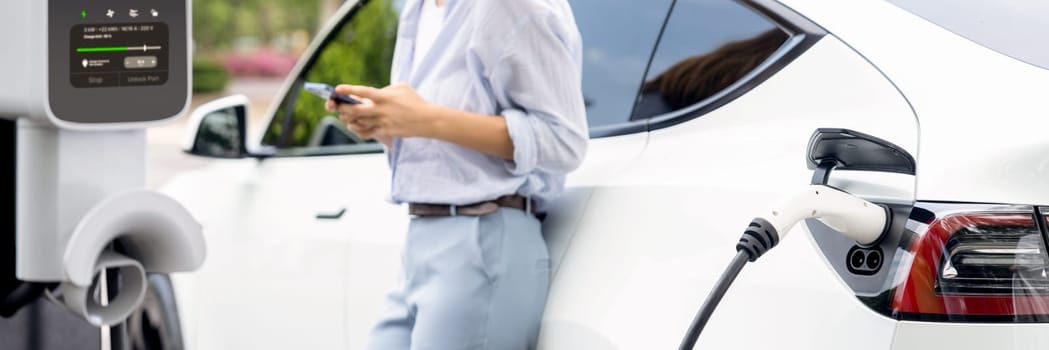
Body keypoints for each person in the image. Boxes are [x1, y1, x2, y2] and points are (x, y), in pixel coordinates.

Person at [326, 0, 587, 349]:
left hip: (483, 240)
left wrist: (425, 119)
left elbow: (564, 140)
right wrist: (384, 125)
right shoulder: (417, 9)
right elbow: (444, 143)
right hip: (420, 238)